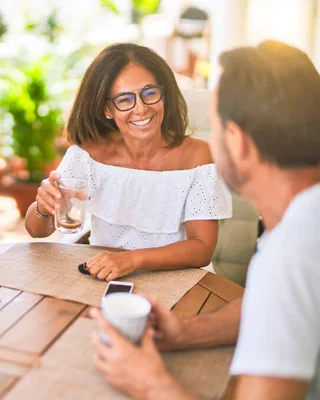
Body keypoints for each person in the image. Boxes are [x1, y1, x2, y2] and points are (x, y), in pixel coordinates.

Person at [91, 40, 320, 399]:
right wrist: (185, 333)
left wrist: (151, 384)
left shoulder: (290, 256)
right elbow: (264, 304)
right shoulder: (303, 223)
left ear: (238, 142)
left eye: (214, 127)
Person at [25, 43, 232, 281]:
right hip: (105, 278)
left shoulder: (197, 156)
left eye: (150, 93)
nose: (141, 109)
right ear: (107, 109)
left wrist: (133, 259)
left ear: (163, 95)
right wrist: (43, 207)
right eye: (125, 99)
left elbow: (202, 248)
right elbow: (37, 231)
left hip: (180, 280)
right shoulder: (87, 155)